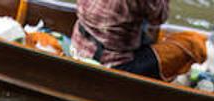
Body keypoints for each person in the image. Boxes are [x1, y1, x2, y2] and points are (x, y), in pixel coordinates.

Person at [70, 0, 205, 81]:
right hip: (114, 63)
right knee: (193, 42)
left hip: (79, 44)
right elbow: (159, 17)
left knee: (156, 34)